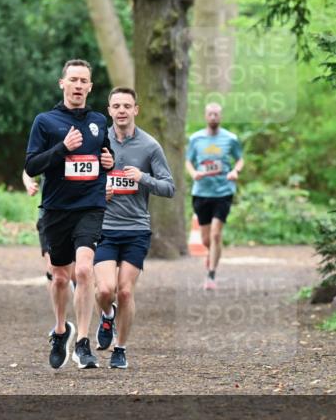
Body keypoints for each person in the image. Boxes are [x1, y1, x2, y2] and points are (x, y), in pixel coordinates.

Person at [25, 59, 114, 369]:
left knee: (85, 271)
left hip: (90, 206)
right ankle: (61, 330)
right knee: (61, 277)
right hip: (56, 209)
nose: (78, 85)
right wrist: (62, 148)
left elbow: (104, 154)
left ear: (90, 87)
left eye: (83, 81)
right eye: (73, 79)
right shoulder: (45, 122)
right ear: (62, 83)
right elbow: (32, 166)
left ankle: (83, 343)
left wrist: (108, 161)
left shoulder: (99, 121)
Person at [93, 87, 175, 369]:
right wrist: (98, 191)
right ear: (109, 110)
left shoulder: (150, 146)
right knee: (105, 290)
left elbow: (169, 187)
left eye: (127, 106)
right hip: (103, 227)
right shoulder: (98, 142)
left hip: (136, 229)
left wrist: (143, 178)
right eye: (116, 106)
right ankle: (106, 317)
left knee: (125, 291)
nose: (122, 111)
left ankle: (121, 348)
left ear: (136, 110)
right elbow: (83, 179)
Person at [185, 102, 243, 290]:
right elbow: (188, 161)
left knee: (216, 234)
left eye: (216, 114)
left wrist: (235, 171)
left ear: (221, 116)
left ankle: (211, 275)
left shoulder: (230, 139)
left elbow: (240, 159)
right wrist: (194, 174)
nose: (213, 117)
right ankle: (211, 255)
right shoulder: (196, 139)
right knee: (205, 240)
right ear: (205, 116)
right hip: (201, 192)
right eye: (210, 114)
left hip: (224, 191)